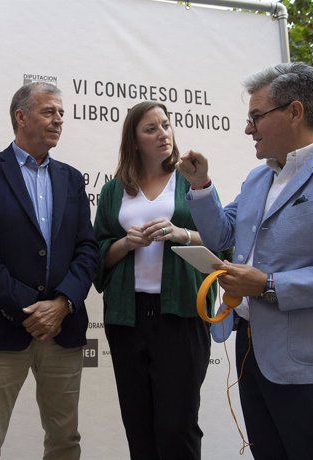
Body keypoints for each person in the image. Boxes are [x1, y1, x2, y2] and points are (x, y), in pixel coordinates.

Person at [177, 62, 313, 460]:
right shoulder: (259, 178)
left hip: (308, 366)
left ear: (294, 112)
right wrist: (202, 186)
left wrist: (268, 285)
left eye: (256, 117)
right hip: (251, 351)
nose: (248, 129)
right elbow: (223, 234)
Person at [0, 81, 98, 460]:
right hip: (1, 329)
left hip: (63, 330)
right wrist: (29, 307)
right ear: (21, 116)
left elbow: (88, 247)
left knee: (65, 442)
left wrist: (63, 303)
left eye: (61, 114)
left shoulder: (72, 178)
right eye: (49, 111)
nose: (59, 121)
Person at [93, 101, 217, 460]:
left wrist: (180, 233)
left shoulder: (190, 181)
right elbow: (98, 249)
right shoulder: (114, 190)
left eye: (165, 125)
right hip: (127, 319)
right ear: (134, 140)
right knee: (139, 424)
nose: (163, 134)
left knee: (177, 427)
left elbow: (219, 239)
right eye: (151, 129)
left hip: (181, 315)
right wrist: (125, 243)